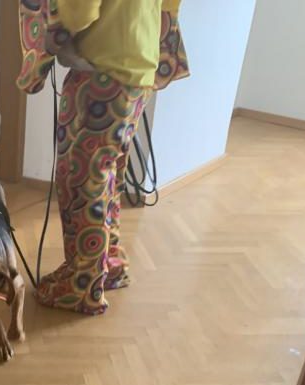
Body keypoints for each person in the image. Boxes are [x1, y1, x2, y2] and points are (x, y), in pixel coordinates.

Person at [17, 0, 189, 315]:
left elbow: (80, 10)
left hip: (101, 71)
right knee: (106, 177)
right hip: (138, 65)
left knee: (82, 182)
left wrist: (54, 31)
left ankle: (83, 285)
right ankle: (108, 264)